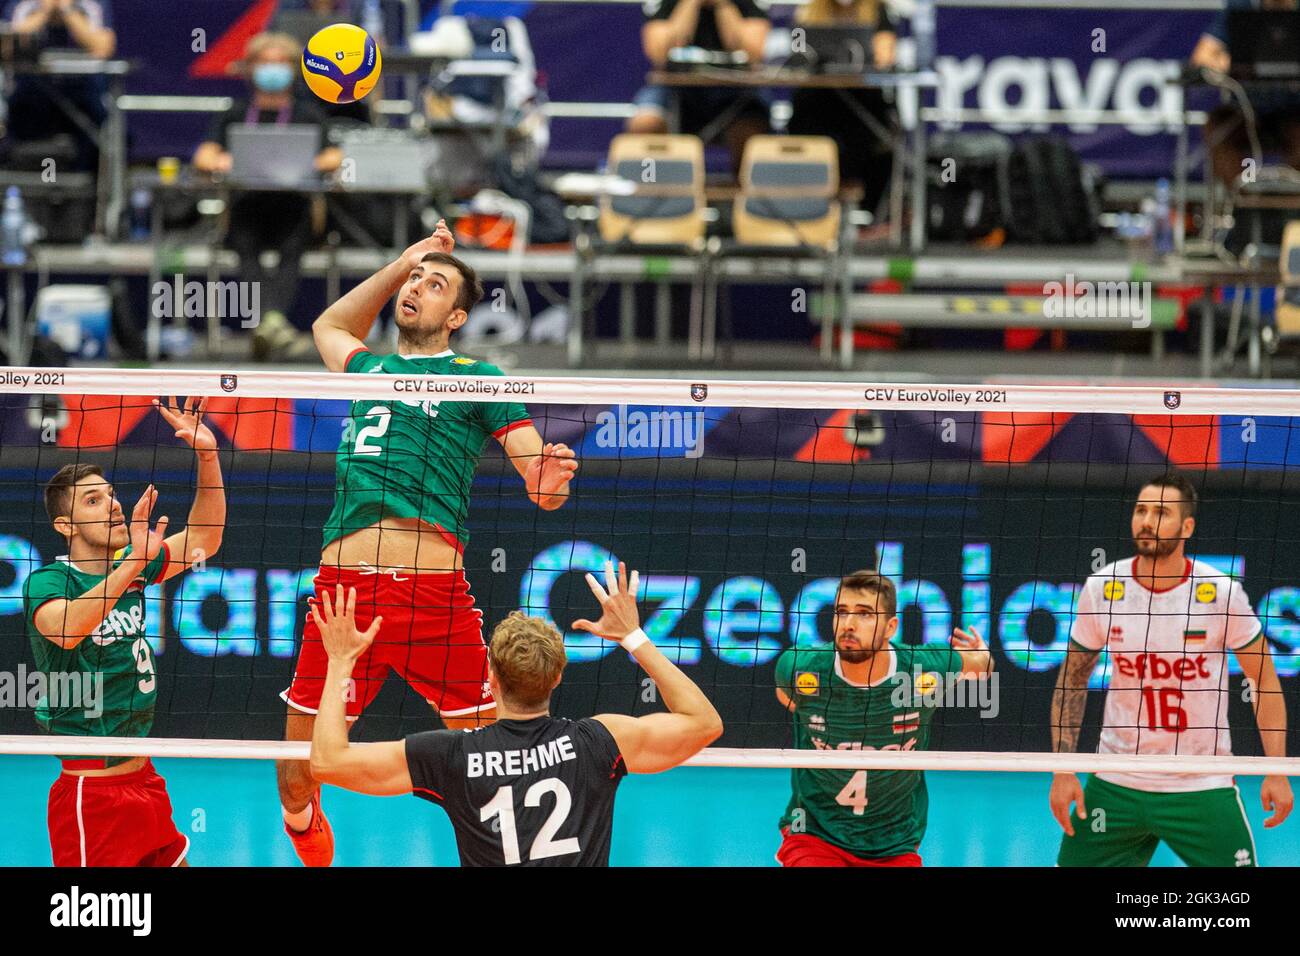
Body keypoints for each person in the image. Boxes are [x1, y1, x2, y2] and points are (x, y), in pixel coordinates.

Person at [277, 220, 580, 866]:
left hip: (435, 599)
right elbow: (328, 327)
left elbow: (539, 482)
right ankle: (304, 824)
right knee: (296, 775)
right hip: (344, 600)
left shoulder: (479, 378)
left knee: (493, 766)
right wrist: (404, 260)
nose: (417, 287)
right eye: (415, 279)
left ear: (458, 315)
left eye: (434, 283)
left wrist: (548, 480)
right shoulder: (370, 366)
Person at [307, 562, 723, 865]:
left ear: (492, 676)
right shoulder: (599, 742)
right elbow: (704, 723)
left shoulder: (453, 756)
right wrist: (633, 636)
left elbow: (327, 761)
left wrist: (341, 661)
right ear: (558, 677)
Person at [1051, 472, 1293, 867]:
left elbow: (1263, 678)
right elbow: (1072, 679)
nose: (1146, 520)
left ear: (1187, 526)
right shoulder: (1102, 587)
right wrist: (1061, 771)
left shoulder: (1221, 593)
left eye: (1161, 512)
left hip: (1199, 781)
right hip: (1116, 782)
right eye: (1141, 510)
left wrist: (1276, 770)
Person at [21, 398, 225, 866]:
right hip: (92, 796)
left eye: (110, 494)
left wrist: (207, 457)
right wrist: (133, 562)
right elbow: (69, 629)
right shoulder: (49, 582)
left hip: (146, 779)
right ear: (64, 525)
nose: (112, 504)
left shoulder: (127, 568)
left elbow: (205, 538)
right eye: (93, 501)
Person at [773, 570, 991, 866]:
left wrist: (984, 655)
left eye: (864, 614)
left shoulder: (924, 668)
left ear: (890, 627)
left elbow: (982, 664)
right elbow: (788, 698)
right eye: (841, 611)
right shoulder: (800, 666)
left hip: (894, 842)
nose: (848, 624)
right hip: (814, 834)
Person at [192, 32, 342, 361]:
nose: (273, 69)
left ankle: (265, 325)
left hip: (294, 206)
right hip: (247, 205)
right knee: (244, 244)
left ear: (292, 69)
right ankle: (273, 326)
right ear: (251, 68)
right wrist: (219, 160)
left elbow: (335, 158)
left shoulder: (308, 114)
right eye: (265, 63)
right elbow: (203, 155)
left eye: (280, 63)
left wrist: (308, 163)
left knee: (292, 248)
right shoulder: (235, 112)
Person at [628, 0, 771, 172]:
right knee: (646, 124)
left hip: (735, 91)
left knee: (751, 132)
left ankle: (742, 196)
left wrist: (722, 5)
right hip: (675, 89)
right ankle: (659, 191)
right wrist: (691, 3)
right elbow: (659, 55)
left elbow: (753, 53)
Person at [786, 0, 897, 215]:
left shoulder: (878, 10)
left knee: (870, 133)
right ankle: (806, 207)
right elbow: (798, 56)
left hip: (862, 98)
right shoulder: (809, 11)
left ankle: (867, 211)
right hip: (818, 97)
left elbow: (885, 58)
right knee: (806, 117)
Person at [1190, 0, 1300, 187]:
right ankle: (1244, 202)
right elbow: (1202, 57)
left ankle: (1289, 203)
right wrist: (1233, 63)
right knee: (1216, 128)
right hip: (1244, 111)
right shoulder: (1240, 6)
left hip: (1293, 112)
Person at [2, 0, 116, 172]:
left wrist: (66, 9)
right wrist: (45, 11)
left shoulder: (91, 5)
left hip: (82, 101)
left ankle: (89, 192)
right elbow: (8, 47)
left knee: (102, 128)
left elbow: (103, 48)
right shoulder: (23, 5)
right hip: (30, 100)